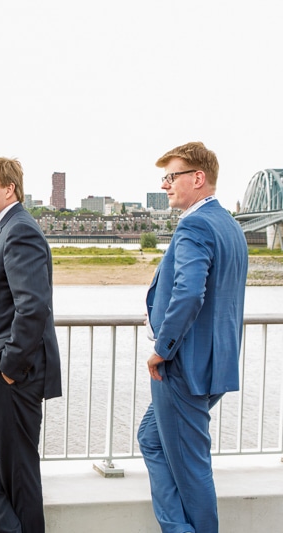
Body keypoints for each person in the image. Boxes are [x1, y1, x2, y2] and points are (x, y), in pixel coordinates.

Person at [138, 142, 248, 533]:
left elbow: (189, 293)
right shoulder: (229, 224)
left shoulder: (195, 224)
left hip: (183, 364)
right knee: (150, 438)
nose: (166, 185)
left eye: (172, 176)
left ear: (197, 178)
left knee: (192, 465)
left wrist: (161, 350)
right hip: (215, 362)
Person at [0, 157, 62, 533]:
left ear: (10, 189)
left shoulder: (21, 231)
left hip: (11, 377)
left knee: (20, 477)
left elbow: (32, 306)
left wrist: (8, 368)